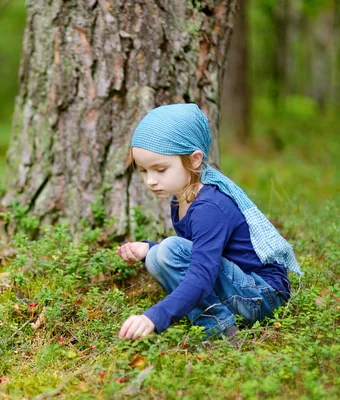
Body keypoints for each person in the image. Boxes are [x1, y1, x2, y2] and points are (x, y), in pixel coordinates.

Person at [116, 103, 301, 340]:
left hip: (263, 294)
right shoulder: (181, 199)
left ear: (194, 160)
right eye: (143, 170)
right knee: (157, 256)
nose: (150, 180)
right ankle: (219, 323)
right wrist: (150, 248)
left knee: (168, 250)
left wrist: (154, 316)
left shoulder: (209, 207)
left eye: (160, 169)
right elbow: (200, 254)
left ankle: (220, 333)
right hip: (240, 287)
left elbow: (201, 274)